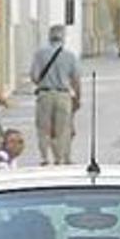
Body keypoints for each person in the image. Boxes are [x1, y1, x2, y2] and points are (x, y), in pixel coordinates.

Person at [30, 25, 81, 166]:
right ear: (63, 38)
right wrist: (77, 98)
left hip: (45, 94)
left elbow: (34, 77)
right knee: (63, 129)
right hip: (63, 95)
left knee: (43, 128)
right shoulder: (70, 56)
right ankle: (60, 158)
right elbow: (76, 80)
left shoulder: (39, 54)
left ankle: (45, 158)